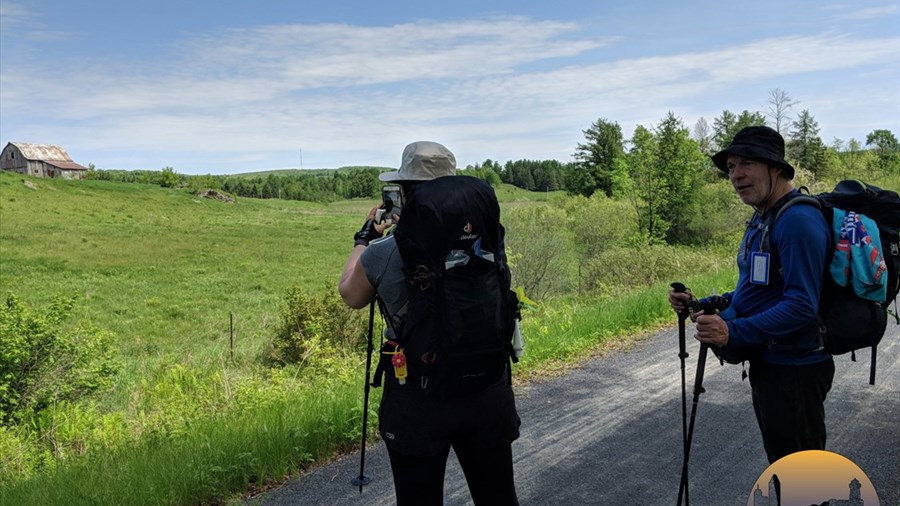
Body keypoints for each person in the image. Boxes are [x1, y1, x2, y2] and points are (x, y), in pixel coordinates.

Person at [339, 141, 520, 505]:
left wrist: (363, 239)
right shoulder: (487, 239)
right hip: (487, 386)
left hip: (416, 397)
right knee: (498, 498)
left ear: (406, 192)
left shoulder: (385, 252)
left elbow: (351, 294)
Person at [668, 126, 834, 464]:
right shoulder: (764, 218)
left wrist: (733, 331)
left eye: (747, 163)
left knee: (802, 478)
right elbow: (757, 291)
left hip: (795, 372)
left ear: (776, 167)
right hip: (772, 366)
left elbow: (803, 304)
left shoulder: (798, 220)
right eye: (730, 167)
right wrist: (703, 304)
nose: (736, 175)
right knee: (785, 470)